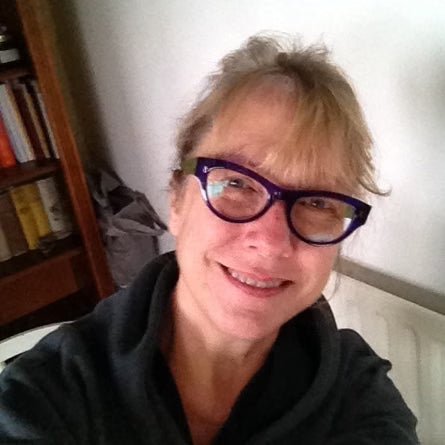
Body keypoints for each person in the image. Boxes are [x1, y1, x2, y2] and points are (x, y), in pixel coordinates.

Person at [0, 34, 418, 444]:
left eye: (317, 202)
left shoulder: (357, 395)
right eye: (236, 182)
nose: (271, 242)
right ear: (176, 200)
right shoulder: (47, 394)